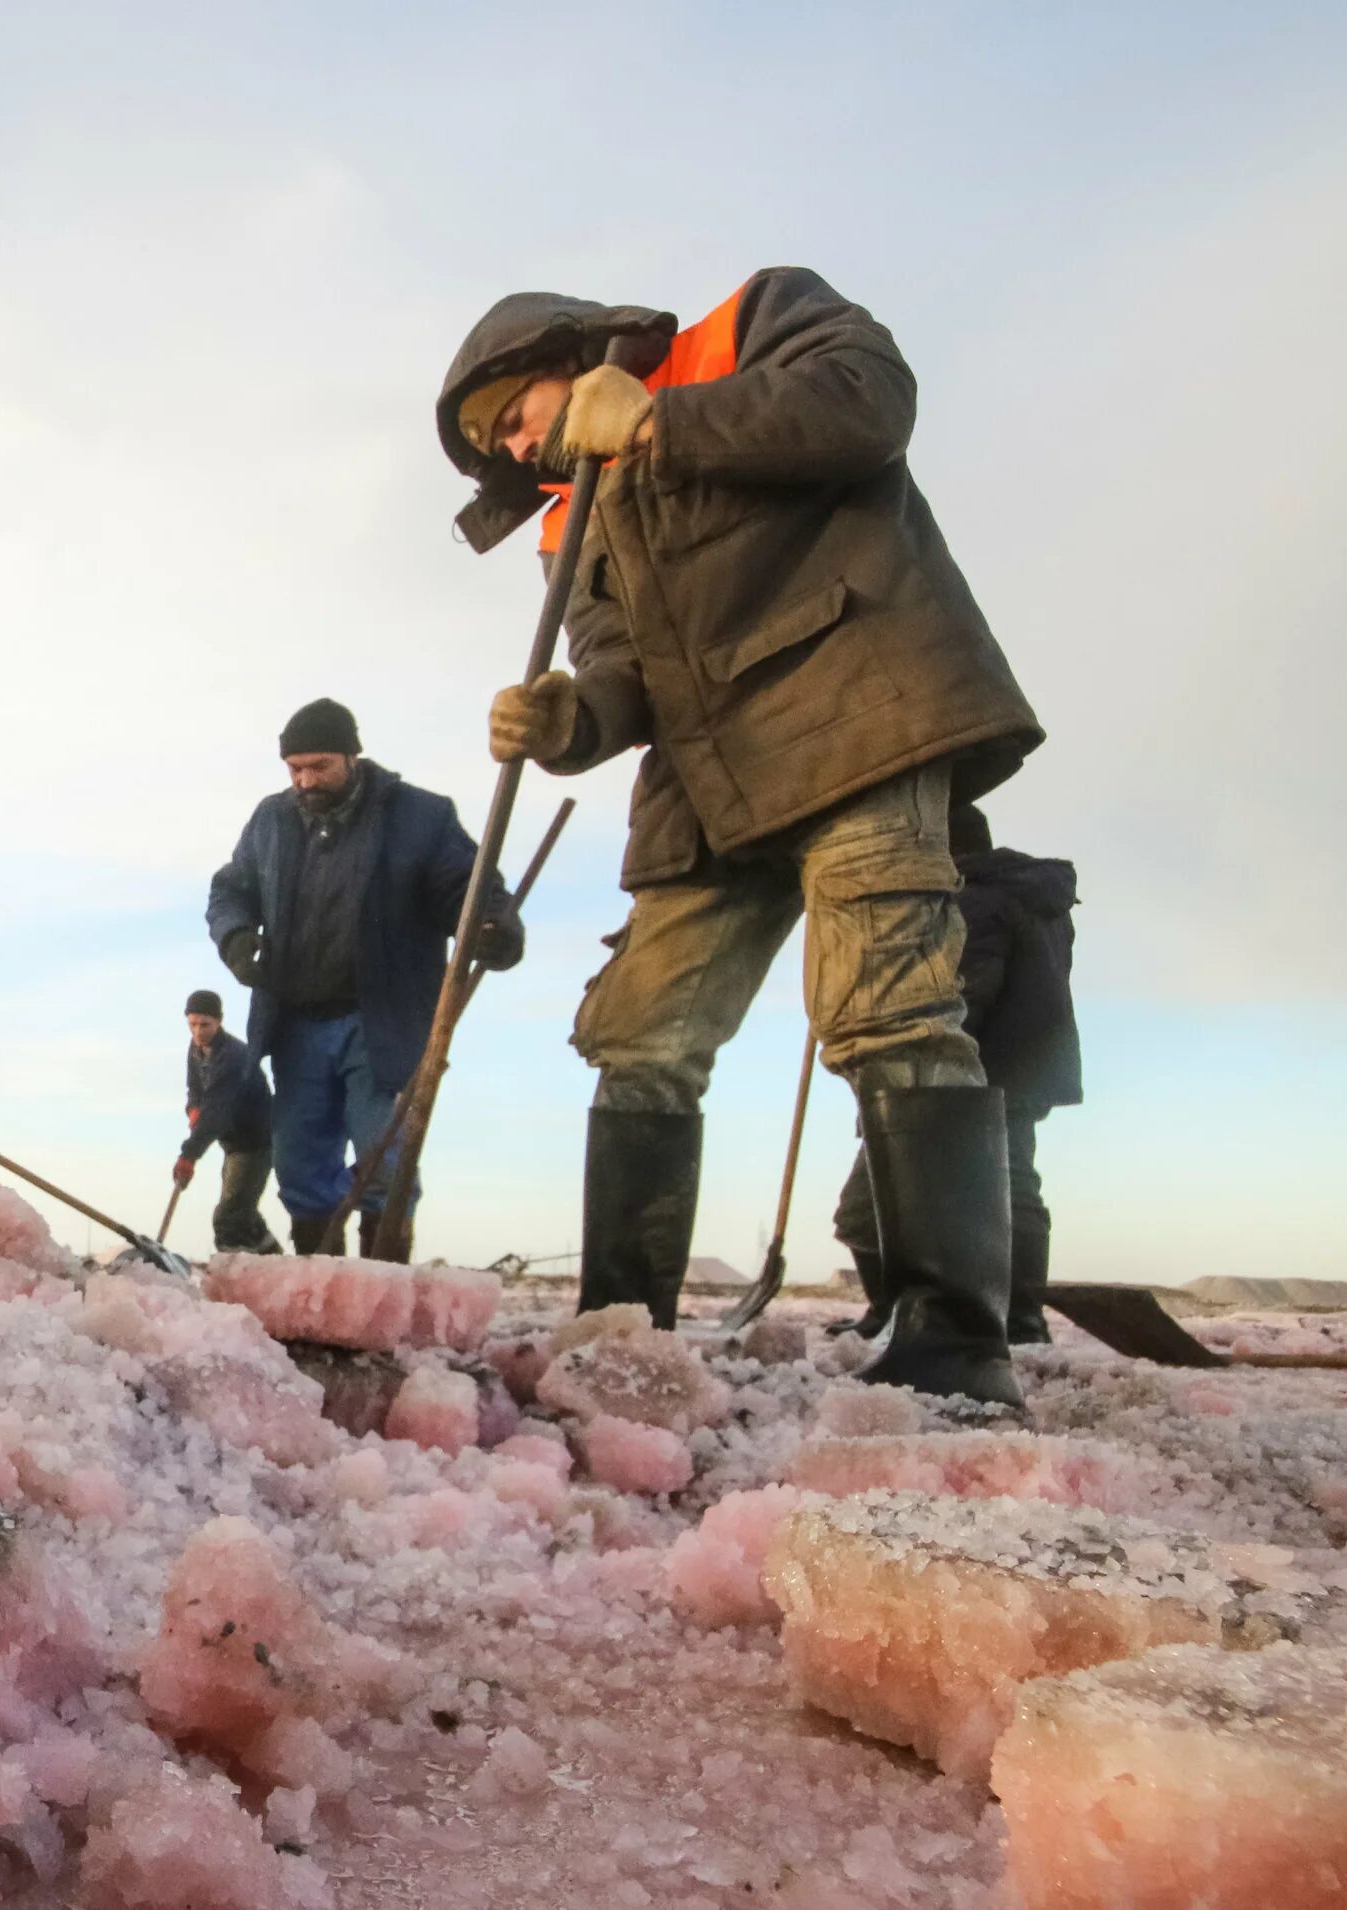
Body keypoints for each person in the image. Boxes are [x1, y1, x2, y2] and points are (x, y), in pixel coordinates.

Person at [435, 267, 1041, 1403]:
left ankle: (958, 1345)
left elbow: (870, 403)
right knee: (641, 1033)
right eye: (496, 448)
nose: (513, 454)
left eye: (509, 420)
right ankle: (625, 1325)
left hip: (852, 710)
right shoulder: (571, 521)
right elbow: (623, 671)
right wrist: (576, 719)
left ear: (564, 360)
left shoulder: (751, 324)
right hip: (705, 783)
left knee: (888, 1009)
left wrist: (664, 419)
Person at [206, 698, 520, 1261]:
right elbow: (231, 889)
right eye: (295, 768)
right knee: (299, 1159)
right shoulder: (271, 821)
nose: (305, 780)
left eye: (319, 765)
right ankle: (316, 1281)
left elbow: (466, 888)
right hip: (296, 1021)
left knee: (385, 1155)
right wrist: (236, 938)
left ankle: (384, 1282)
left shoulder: (419, 817)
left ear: (353, 756)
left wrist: (491, 926)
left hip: (381, 1020)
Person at [838, 810, 1080, 1343]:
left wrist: (900, 1044)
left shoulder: (975, 898)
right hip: (1026, 1068)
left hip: (961, 1073)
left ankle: (893, 1311)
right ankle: (1020, 1320)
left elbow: (962, 993)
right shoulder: (1036, 897)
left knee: (872, 1195)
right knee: (1015, 1185)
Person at [175, 987, 277, 1254]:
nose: (198, 1031)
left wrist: (189, 1155)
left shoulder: (233, 1057)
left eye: (205, 1024)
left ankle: (230, 1279)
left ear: (219, 1021)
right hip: (233, 1143)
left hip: (256, 1141)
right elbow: (195, 1088)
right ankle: (275, 1261)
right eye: (192, 1024)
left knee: (229, 1217)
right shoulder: (196, 1049)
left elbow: (217, 1112)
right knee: (244, 1213)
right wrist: (193, 1109)